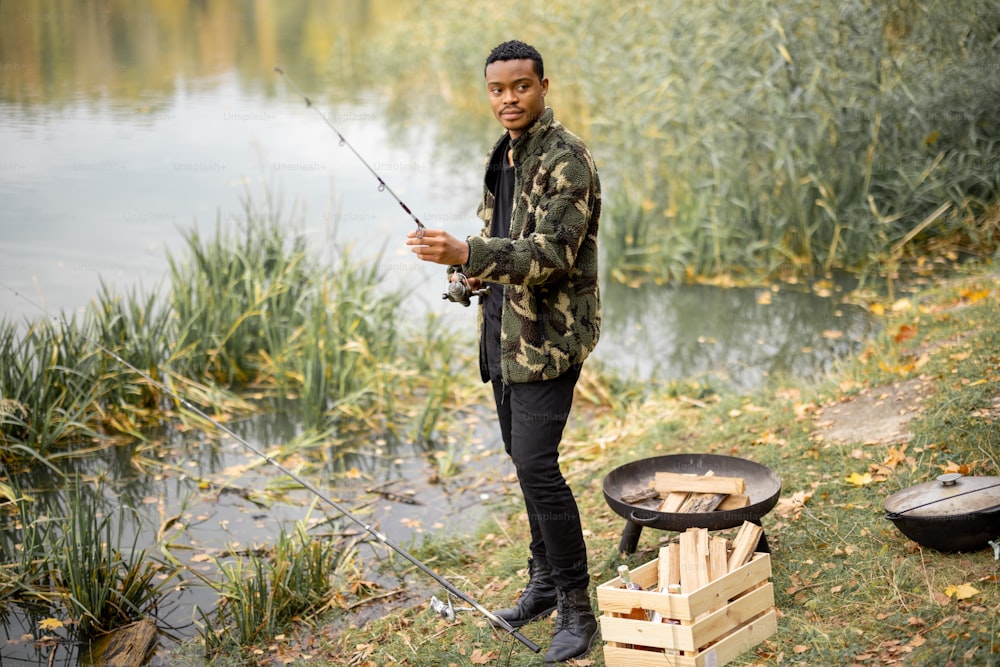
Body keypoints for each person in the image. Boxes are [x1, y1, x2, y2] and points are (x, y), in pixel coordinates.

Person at [405, 40, 601, 664]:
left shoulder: (566, 159)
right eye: (497, 89)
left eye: (521, 86)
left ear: (544, 86)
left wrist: (468, 253)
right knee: (522, 463)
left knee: (538, 465)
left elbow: (550, 256)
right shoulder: (504, 153)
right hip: (502, 333)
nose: (508, 99)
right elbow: (503, 241)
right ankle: (543, 581)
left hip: (547, 341)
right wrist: (471, 277)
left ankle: (577, 605)